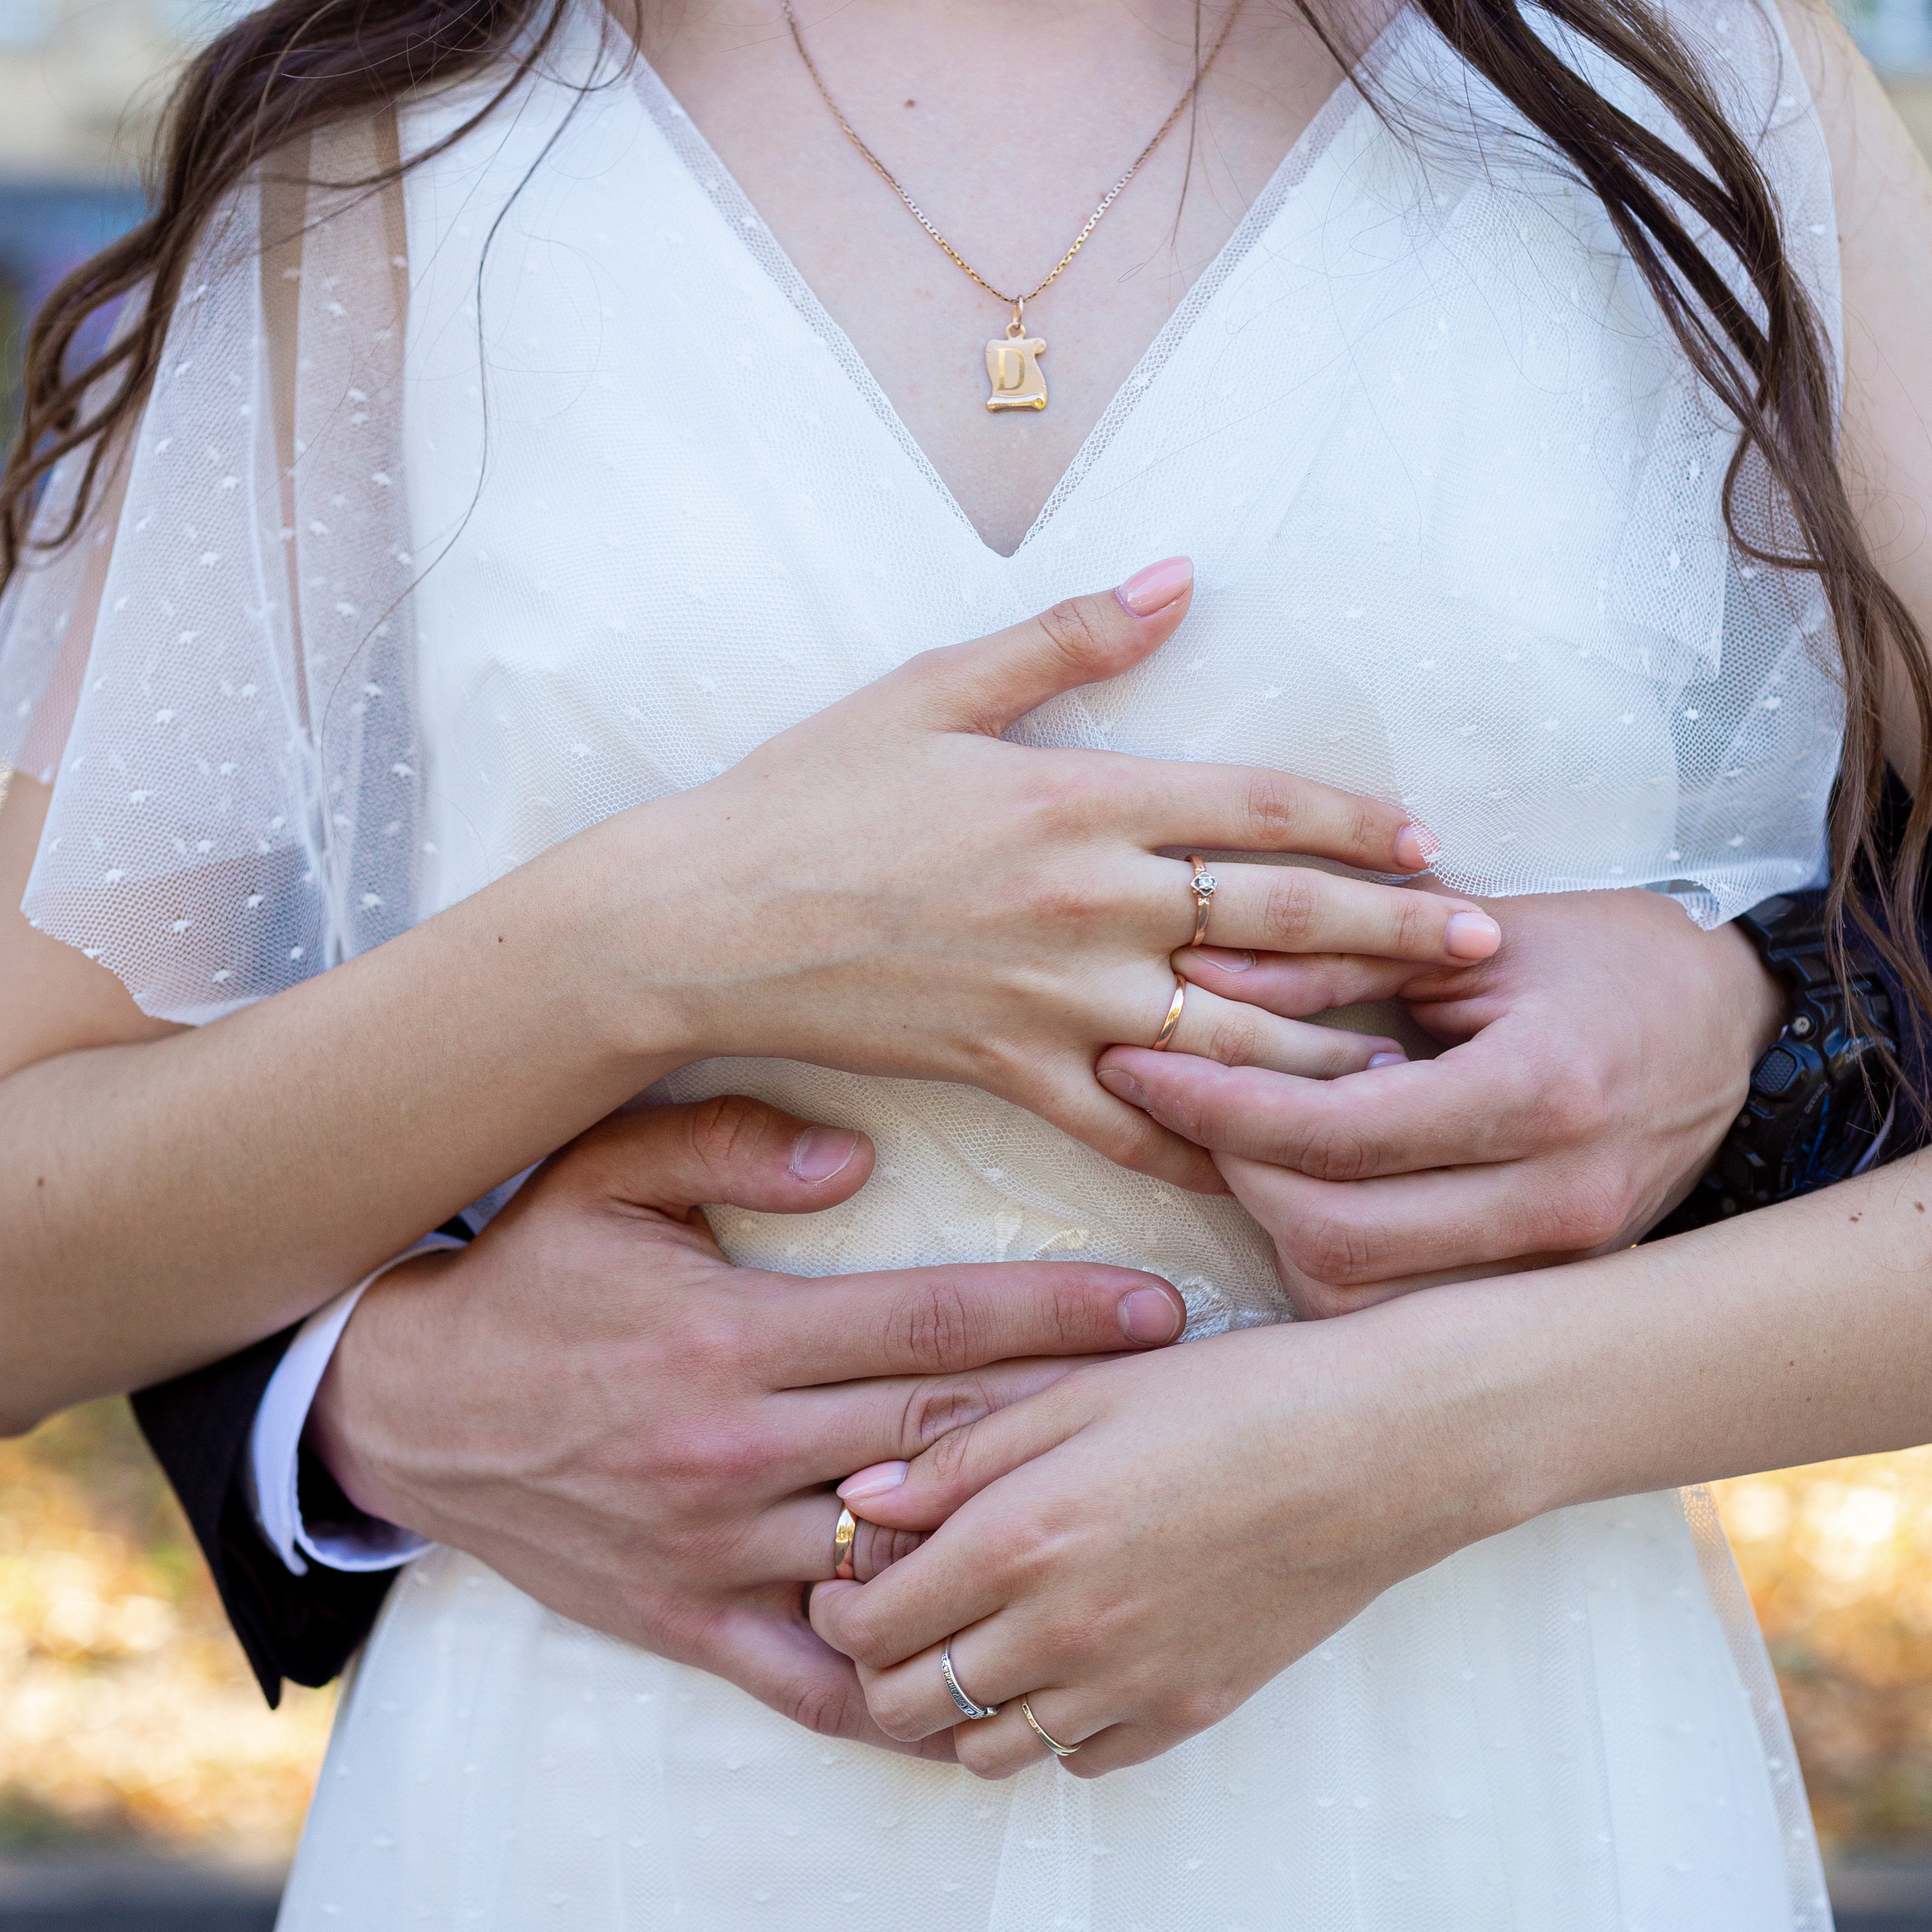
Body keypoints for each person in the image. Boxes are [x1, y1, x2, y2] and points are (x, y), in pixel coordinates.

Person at [0, 0, 1928, 1924]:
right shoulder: (389, 138)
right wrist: (637, 955)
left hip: (1477, 1793)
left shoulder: (1688, 74)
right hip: (622, 1813)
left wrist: (1442, 1422)